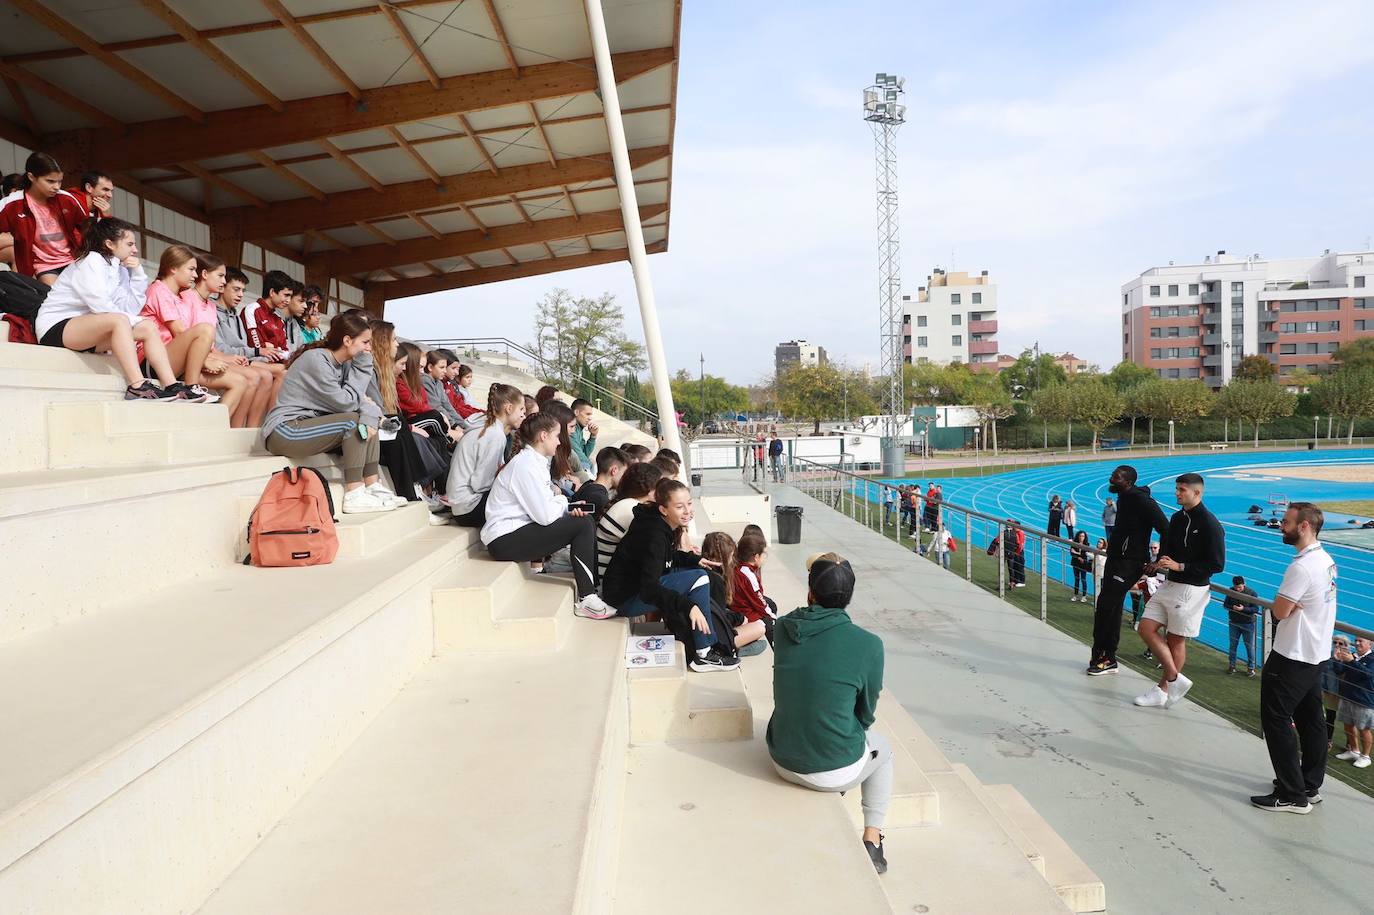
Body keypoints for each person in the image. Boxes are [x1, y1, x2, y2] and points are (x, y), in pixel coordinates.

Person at [768, 555, 890, 874]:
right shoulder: (869, 645)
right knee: (884, 749)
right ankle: (873, 839)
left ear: (810, 592)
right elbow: (866, 713)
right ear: (848, 597)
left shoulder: (782, 628)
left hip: (781, 758)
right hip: (828, 770)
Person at [32, 216, 189, 401]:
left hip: (88, 328)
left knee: (147, 326)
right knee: (119, 320)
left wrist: (138, 274)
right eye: (130, 244)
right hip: (56, 327)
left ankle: (171, 385)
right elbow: (101, 306)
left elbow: (129, 308)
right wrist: (131, 320)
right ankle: (137, 385)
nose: (135, 249)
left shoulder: (118, 268)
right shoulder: (91, 261)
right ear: (110, 244)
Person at [261, 312, 403, 514]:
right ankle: (354, 493)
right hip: (285, 431)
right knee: (355, 421)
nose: (369, 348)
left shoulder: (343, 364)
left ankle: (372, 485)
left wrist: (369, 413)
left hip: (309, 427)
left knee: (366, 419)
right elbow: (345, 404)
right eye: (365, 342)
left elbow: (362, 401)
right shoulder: (317, 360)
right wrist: (363, 368)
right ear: (347, 340)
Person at [598, 478, 739, 672]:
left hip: (633, 589)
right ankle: (704, 653)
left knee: (701, 574)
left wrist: (692, 559)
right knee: (700, 578)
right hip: (624, 599)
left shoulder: (658, 525)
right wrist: (688, 606)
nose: (688, 511)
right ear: (664, 509)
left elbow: (663, 559)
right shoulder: (654, 534)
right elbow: (649, 589)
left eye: (689, 503)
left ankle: (709, 639)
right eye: (680, 507)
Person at [1252, 502, 1338, 814]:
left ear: (1304, 526)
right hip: (1315, 653)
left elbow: (1279, 611)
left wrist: (1284, 605)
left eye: (1287, 522)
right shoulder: (1325, 559)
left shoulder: (1301, 567)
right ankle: (1309, 784)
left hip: (1292, 654)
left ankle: (1292, 794)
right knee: (1311, 719)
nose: (1281, 526)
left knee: (1276, 720)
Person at [481, 412, 609, 617]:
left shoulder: (535, 461)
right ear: (543, 436)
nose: (559, 441)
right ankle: (587, 597)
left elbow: (547, 505)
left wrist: (566, 505)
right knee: (583, 524)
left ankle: (591, 592)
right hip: (504, 540)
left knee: (583, 520)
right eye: (556, 435)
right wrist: (563, 503)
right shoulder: (525, 465)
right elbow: (545, 515)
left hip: (514, 532)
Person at [1132, 473, 1225, 709]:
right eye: (1177, 489)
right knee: (1145, 627)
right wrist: (1157, 563)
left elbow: (1217, 565)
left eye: (1181, 489)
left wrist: (1180, 566)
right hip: (1170, 583)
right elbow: (1169, 549)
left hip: (1191, 590)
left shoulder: (1210, 524)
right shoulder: (1176, 518)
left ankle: (1162, 690)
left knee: (1175, 640)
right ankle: (1175, 678)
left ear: (1197, 493)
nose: (1177, 493)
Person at [1087, 465, 1168, 676]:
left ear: (1128, 481)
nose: (1111, 479)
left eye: (1116, 477)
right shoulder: (1123, 498)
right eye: (1112, 475)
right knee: (1106, 607)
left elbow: (1166, 530)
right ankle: (1103, 656)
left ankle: (1106, 657)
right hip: (1116, 559)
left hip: (1129, 563)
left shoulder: (1143, 502)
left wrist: (1158, 561)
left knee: (1107, 608)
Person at [180, 252, 276, 427]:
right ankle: (218, 428)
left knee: (259, 376)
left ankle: (238, 429)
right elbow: (184, 338)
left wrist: (221, 358)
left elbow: (211, 345)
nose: (223, 282)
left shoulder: (209, 305)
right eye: (221, 276)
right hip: (188, 362)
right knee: (254, 377)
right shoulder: (186, 298)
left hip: (210, 358)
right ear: (205, 275)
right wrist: (213, 359)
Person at [139, 244, 224, 405]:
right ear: (173, 268)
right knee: (205, 329)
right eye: (191, 269)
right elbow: (179, 332)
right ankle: (192, 386)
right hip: (152, 361)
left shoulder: (178, 297)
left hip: (169, 357)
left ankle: (192, 387)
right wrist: (204, 361)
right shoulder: (158, 290)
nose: (195, 275)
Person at [446, 383, 526, 527]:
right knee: (522, 501)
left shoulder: (490, 428)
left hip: (462, 506)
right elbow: (480, 484)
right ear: (509, 408)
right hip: (469, 508)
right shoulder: (495, 435)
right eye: (521, 409)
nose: (523, 415)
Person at [0, 152, 86, 283]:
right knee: (55, 299)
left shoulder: (67, 199)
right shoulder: (11, 204)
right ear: (31, 177)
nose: (56, 187)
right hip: (44, 265)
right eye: (50, 181)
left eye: (60, 181)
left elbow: (87, 227)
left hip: (73, 259)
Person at [214, 267, 287, 404]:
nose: (241, 295)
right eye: (236, 289)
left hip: (244, 359)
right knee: (264, 375)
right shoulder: (213, 311)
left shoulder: (235, 315)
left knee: (282, 371)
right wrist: (259, 352)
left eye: (243, 291)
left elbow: (245, 348)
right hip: (226, 360)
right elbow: (221, 348)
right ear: (222, 287)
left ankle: (263, 422)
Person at [701, 531, 765, 658]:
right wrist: (740, 618)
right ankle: (732, 649)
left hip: (704, 631)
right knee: (760, 627)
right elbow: (719, 618)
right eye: (731, 555)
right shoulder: (716, 580)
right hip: (713, 638)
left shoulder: (704, 571)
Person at [595, 462, 663, 580]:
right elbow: (654, 553)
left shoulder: (626, 503)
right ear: (650, 490)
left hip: (607, 580)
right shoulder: (631, 510)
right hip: (609, 586)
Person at [396, 341, 460, 446]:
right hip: (409, 420)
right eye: (420, 367)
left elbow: (426, 401)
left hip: (417, 417)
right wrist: (450, 423)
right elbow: (415, 405)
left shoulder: (419, 382)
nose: (422, 372)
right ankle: (448, 438)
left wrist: (457, 423)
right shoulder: (400, 383)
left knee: (435, 418)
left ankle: (448, 440)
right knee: (434, 416)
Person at [1333, 636, 1374, 769]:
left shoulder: (1372, 658)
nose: (1356, 643)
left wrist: (1352, 661)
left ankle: (1366, 756)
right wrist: (1337, 659)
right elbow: (1339, 671)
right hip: (1347, 696)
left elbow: (1368, 675)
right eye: (1355, 640)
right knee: (1348, 725)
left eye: (1360, 641)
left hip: (1364, 700)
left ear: (1370, 644)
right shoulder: (1353, 655)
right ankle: (1354, 750)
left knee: (1364, 729)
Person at [731, 529, 775, 647]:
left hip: (737, 608)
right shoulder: (748, 575)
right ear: (756, 557)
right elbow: (758, 601)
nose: (764, 558)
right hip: (744, 613)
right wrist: (773, 618)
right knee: (770, 622)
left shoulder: (738, 568)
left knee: (771, 606)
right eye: (763, 555)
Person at [241, 270, 291, 361]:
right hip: (255, 360)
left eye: (290, 296)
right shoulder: (252, 310)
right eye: (286, 295)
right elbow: (256, 346)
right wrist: (271, 347)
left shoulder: (279, 319)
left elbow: (285, 351)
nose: (288, 300)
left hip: (275, 361)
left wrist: (272, 347)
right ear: (272, 292)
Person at [573, 446, 627, 520]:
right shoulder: (599, 499)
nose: (625, 478)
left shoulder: (588, 484)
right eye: (624, 473)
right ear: (614, 470)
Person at [1224, 575, 1262, 676]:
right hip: (1234, 622)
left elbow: (1256, 609)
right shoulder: (1231, 591)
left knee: (1249, 647)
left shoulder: (1252, 593)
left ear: (1244, 584)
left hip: (1248, 624)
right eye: (1236, 587)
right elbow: (1225, 605)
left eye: (1240, 587)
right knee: (1233, 645)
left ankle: (1251, 668)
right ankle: (1232, 666)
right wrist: (1232, 607)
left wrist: (1243, 609)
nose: (1238, 589)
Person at [990, 520, 1026, 587]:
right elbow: (1018, 544)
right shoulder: (1015, 533)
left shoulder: (1016, 533)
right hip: (1012, 553)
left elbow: (997, 541)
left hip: (1010, 552)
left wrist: (996, 551)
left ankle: (1018, 582)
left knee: (1016, 567)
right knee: (1012, 568)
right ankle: (1013, 582)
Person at [570, 398, 599, 475]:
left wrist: (593, 436)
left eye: (590, 415)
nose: (590, 418)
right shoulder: (572, 429)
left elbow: (585, 453)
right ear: (576, 412)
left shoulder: (579, 428)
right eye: (587, 414)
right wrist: (591, 464)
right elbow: (580, 457)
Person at [1070, 531, 1092, 602]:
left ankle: (1084, 596)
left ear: (1085, 537)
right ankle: (1075, 595)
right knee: (1076, 579)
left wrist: (1076, 553)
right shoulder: (1074, 543)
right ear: (1077, 536)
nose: (1081, 537)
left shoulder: (1087, 544)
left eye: (1083, 536)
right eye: (1080, 536)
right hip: (1075, 563)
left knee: (1083, 580)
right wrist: (1078, 556)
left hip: (1083, 564)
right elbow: (1071, 553)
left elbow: (1085, 554)